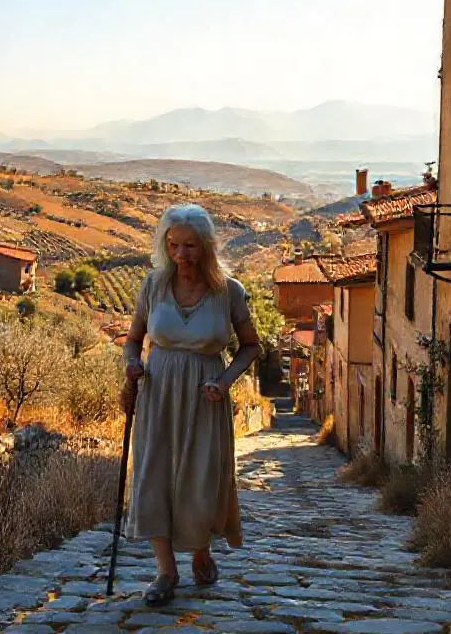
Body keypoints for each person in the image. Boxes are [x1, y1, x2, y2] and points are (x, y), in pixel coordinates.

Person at [120, 203, 263, 607]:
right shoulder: (153, 285)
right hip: (158, 394)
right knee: (153, 478)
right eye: (174, 245)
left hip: (205, 397)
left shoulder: (227, 291)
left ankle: (201, 549)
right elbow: (134, 339)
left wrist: (224, 380)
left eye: (190, 246)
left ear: (206, 247)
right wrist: (132, 363)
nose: (182, 255)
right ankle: (166, 572)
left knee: (200, 482)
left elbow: (252, 347)